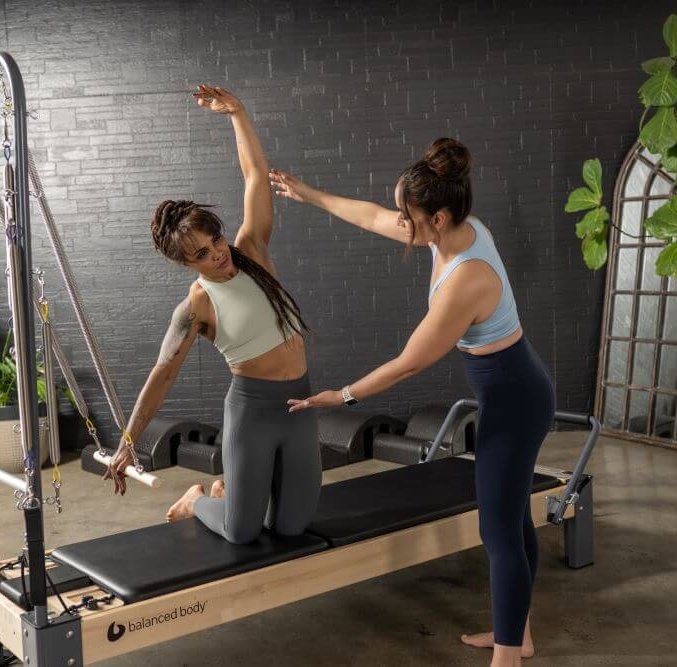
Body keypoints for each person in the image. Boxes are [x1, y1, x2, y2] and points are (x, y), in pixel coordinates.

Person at [273, 138, 555, 667]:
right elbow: (370, 216)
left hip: (517, 401)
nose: (402, 222)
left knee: (496, 527)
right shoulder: (451, 230)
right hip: (510, 390)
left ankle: (508, 657)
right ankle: (516, 633)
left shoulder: (466, 279)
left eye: (411, 215)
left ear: (439, 217)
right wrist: (307, 194)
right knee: (511, 518)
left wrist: (342, 395)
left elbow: (408, 363)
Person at [104, 85, 321, 546]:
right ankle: (198, 499)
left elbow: (255, 177)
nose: (217, 255)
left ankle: (227, 491)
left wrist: (238, 113)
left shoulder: (252, 251)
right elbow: (162, 375)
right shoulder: (196, 305)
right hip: (253, 412)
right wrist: (128, 442)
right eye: (202, 255)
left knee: (290, 527)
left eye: (215, 241)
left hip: (300, 404)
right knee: (242, 532)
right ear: (187, 265)